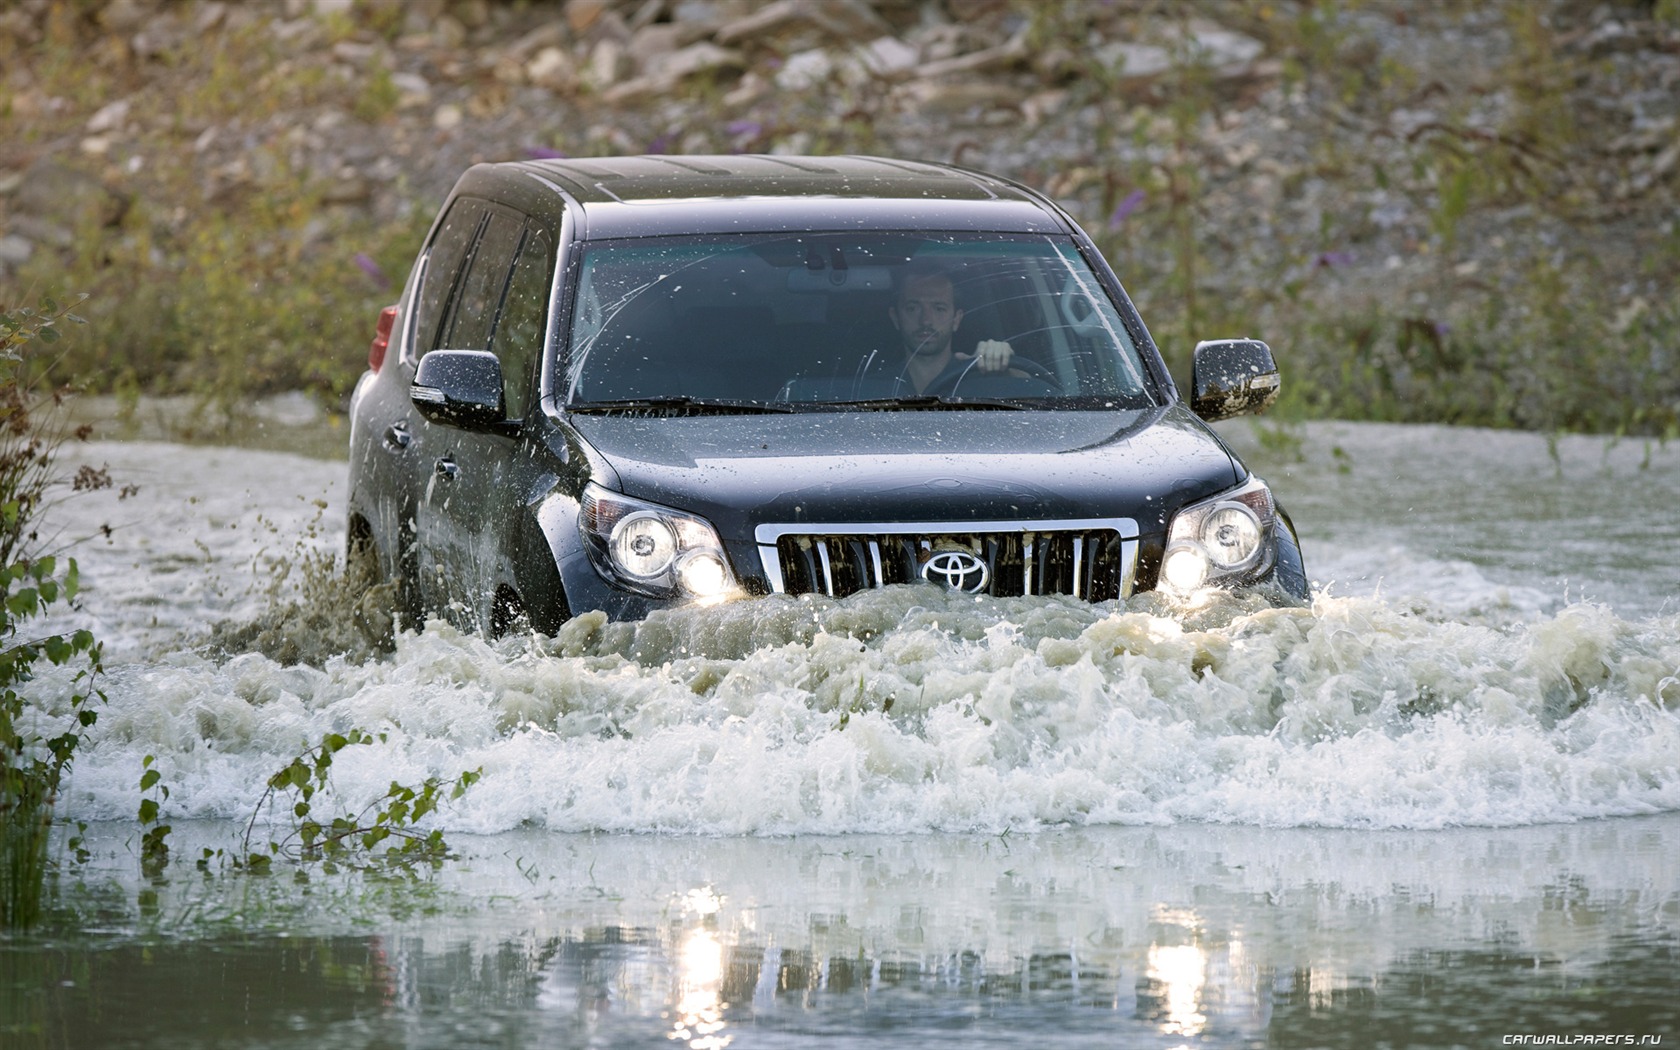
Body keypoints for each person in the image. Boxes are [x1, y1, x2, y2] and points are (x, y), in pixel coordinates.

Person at [879, 261, 1016, 395]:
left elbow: (1033, 388)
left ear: (956, 319)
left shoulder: (980, 379)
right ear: (895, 317)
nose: (926, 320)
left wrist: (1005, 366)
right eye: (912, 308)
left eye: (939, 309)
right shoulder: (870, 389)